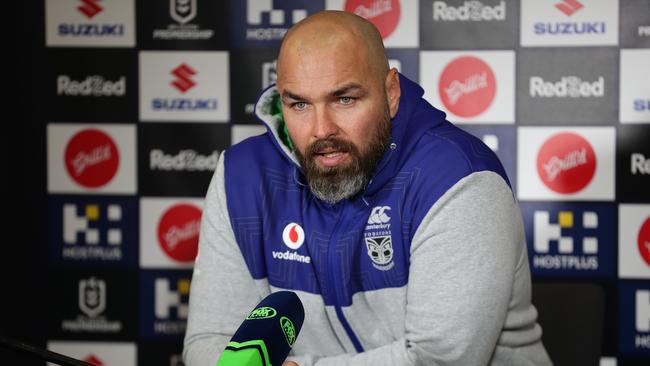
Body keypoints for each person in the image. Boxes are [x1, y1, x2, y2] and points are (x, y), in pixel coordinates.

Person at [183, 10, 551, 366]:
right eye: (299, 104)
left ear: (391, 92)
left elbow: (436, 361)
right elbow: (210, 342)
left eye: (345, 99)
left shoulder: (457, 179)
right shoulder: (243, 177)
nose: (321, 129)